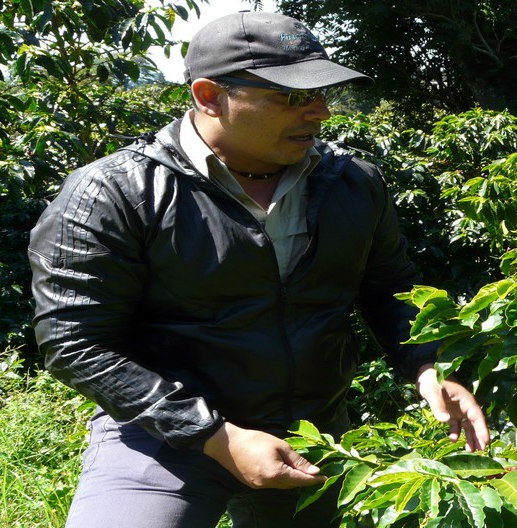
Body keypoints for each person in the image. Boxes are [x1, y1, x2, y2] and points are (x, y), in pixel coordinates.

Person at [28, 11, 489, 528]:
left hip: (310, 436)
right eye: (291, 96)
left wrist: (427, 368)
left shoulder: (353, 184)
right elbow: (75, 342)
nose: (319, 113)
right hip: (162, 435)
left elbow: (389, 288)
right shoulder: (116, 192)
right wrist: (215, 438)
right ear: (208, 96)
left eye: (321, 94)